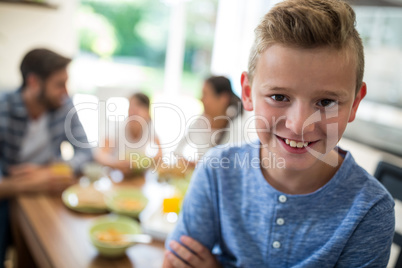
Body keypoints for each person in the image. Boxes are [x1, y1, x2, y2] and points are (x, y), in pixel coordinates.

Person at [163, 0, 395, 267]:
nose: (299, 125)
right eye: (279, 96)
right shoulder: (216, 172)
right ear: (248, 94)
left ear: (354, 103)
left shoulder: (370, 212)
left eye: (326, 102)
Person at [0, 48, 93, 265]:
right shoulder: (4, 107)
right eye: (59, 84)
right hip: (9, 191)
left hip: (49, 188)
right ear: (34, 83)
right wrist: (25, 184)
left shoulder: (64, 106)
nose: (66, 92)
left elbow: (86, 152)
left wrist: (47, 172)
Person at [174, 76, 244, 164]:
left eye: (205, 94)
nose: (201, 99)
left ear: (223, 98)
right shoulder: (200, 122)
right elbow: (177, 151)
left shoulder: (237, 127)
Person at [95, 92, 162, 176]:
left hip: (138, 177)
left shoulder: (150, 127)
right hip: (116, 175)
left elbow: (160, 154)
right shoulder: (117, 128)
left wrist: (144, 162)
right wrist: (115, 163)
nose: (132, 113)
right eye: (130, 109)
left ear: (147, 113)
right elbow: (101, 155)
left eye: (137, 110)